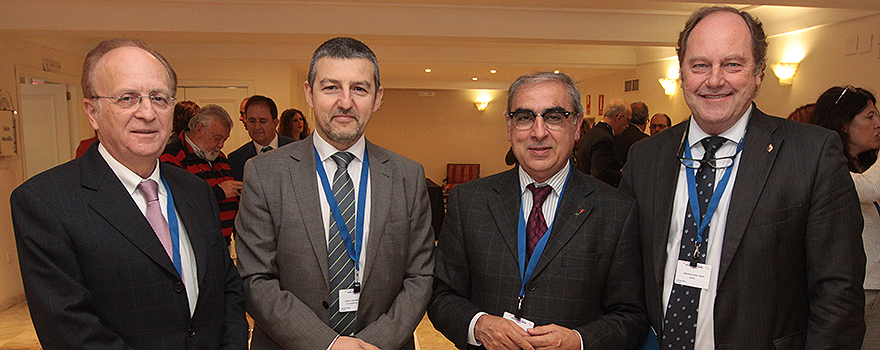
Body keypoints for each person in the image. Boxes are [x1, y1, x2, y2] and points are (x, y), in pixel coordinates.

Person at [619, 6, 866, 349]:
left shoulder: (811, 155)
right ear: (682, 72)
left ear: (759, 72)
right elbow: (624, 278)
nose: (715, 79)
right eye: (700, 65)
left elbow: (839, 295)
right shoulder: (646, 157)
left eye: (732, 64)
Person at [10, 38, 247, 349]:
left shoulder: (196, 191)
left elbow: (226, 288)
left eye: (159, 98)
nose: (147, 112)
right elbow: (70, 330)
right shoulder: (45, 202)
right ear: (92, 112)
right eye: (127, 98)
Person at [235, 37, 434, 350]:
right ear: (309, 94)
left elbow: (420, 275)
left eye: (359, 88)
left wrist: (374, 342)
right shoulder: (264, 173)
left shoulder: (407, 176)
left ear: (378, 97)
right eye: (330, 88)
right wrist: (327, 344)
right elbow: (255, 279)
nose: (345, 101)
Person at [429, 72, 647, 350]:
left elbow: (631, 316)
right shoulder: (469, 201)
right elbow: (441, 295)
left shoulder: (616, 210)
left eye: (554, 117)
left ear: (577, 125)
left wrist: (579, 341)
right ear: (509, 126)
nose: (539, 132)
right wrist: (478, 324)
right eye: (524, 117)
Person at [810, 85, 880, 349]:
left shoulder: (868, 167)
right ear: (844, 125)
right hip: (849, 289)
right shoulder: (826, 167)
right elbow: (868, 189)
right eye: (869, 116)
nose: (878, 124)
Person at [161, 104, 241, 243]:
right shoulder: (172, 156)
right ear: (199, 129)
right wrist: (218, 192)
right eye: (217, 138)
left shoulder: (221, 157)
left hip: (224, 243)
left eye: (225, 139)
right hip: (193, 245)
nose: (221, 145)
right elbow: (176, 203)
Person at [227, 95, 295, 181]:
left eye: (262, 121)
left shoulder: (295, 149)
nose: (257, 127)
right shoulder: (236, 159)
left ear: (275, 123)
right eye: (252, 121)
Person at [577, 99, 630, 186]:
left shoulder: (593, 132)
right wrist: (623, 174)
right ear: (619, 117)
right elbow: (601, 172)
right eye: (628, 121)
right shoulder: (604, 138)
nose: (627, 126)